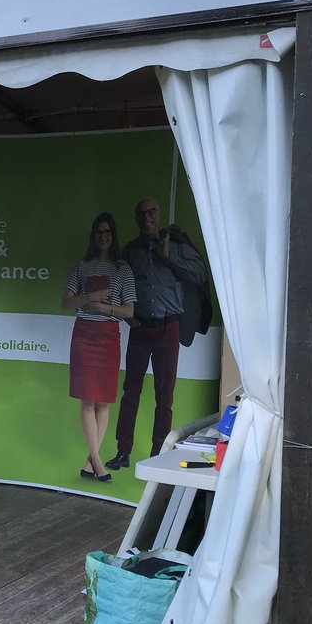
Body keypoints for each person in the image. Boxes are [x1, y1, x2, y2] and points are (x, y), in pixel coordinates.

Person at [105, 196, 208, 470]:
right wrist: (130, 321)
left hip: (168, 329)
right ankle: (122, 451)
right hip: (140, 330)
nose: (147, 217)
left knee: (165, 395)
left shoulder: (175, 246)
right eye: (141, 213)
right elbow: (118, 290)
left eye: (152, 212)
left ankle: (158, 454)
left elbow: (199, 276)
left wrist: (169, 258)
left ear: (159, 215)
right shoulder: (129, 252)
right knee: (131, 392)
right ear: (136, 219)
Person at [61, 213, 136, 483]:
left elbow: (129, 310)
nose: (103, 236)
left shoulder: (123, 269)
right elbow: (66, 303)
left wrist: (104, 307)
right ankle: (97, 463)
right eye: (99, 232)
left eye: (108, 232)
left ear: (113, 235)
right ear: (93, 236)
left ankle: (89, 462)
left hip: (108, 334)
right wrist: (90, 297)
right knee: (87, 399)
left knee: (103, 401)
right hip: (84, 335)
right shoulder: (82, 267)